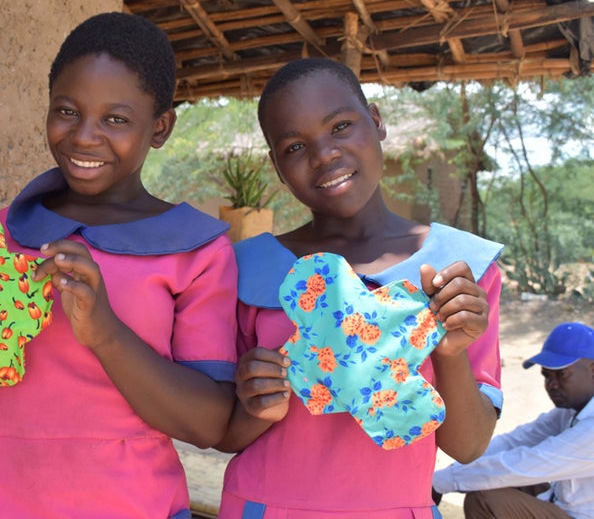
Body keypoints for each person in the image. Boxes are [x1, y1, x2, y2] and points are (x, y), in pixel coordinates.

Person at [0, 12, 240, 518]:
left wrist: (105, 334)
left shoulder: (196, 251)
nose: (84, 137)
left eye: (115, 119)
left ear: (160, 128)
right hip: (4, 502)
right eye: (67, 111)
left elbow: (207, 424)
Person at [214, 57, 504, 519]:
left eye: (341, 126)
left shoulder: (460, 271)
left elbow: (467, 446)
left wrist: (449, 354)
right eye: (294, 146)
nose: (324, 153)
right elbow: (222, 433)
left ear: (376, 121)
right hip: (265, 507)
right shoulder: (247, 271)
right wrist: (252, 404)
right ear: (276, 166)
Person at [433, 321, 594, 519]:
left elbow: (530, 463)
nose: (552, 384)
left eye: (561, 375)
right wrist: (448, 474)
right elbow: (515, 441)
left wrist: (441, 482)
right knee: (497, 480)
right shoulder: (571, 410)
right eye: (546, 375)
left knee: (486, 499)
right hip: (562, 503)